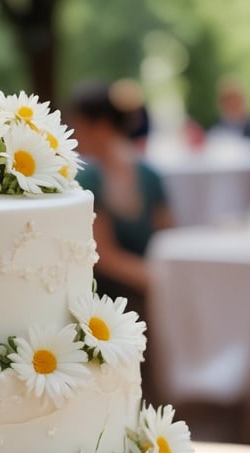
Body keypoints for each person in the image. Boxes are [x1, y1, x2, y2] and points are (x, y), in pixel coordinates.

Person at [66, 80, 173, 316]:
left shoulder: (148, 176)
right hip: (107, 298)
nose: (75, 133)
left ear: (101, 125)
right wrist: (159, 278)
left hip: (147, 288)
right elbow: (102, 255)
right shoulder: (88, 179)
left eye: (79, 125)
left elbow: (168, 235)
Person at [209, 76, 250, 141]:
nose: (233, 104)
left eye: (236, 100)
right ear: (221, 104)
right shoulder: (215, 132)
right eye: (228, 101)